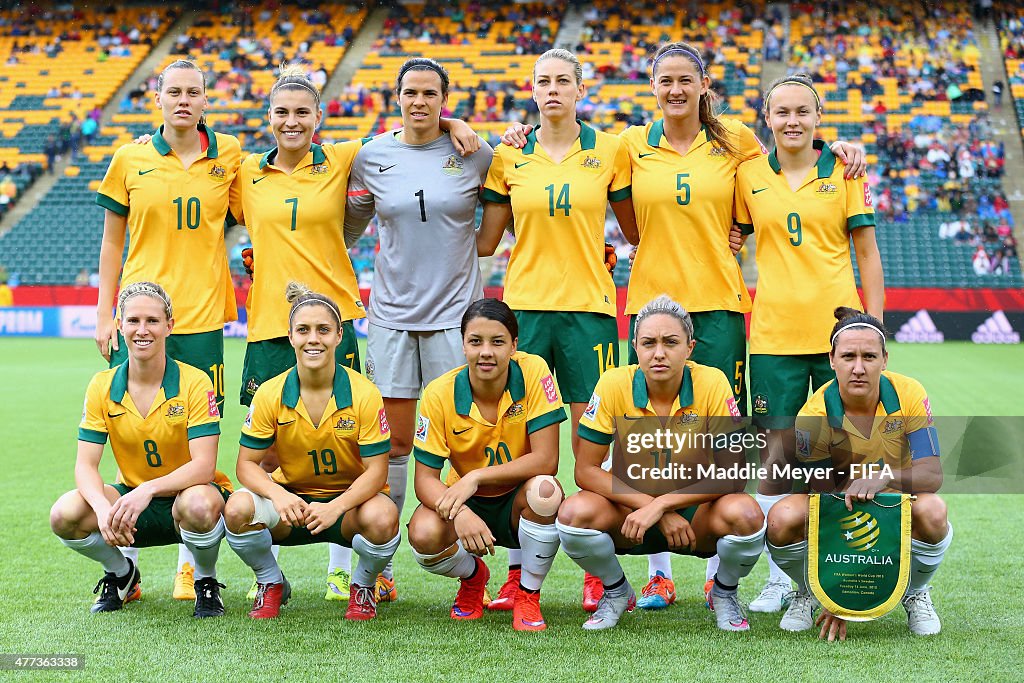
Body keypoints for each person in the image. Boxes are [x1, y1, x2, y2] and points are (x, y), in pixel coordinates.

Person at [501, 44, 866, 614]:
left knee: (724, 438)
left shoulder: (736, 140)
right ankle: (658, 573)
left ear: (702, 86)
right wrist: (504, 130)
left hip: (719, 307)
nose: (674, 90)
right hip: (651, 308)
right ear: (652, 86)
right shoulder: (628, 145)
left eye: (684, 81)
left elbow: (791, 151)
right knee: (646, 440)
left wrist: (840, 148)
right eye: (664, 80)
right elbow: (571, 146)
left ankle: (729, 576)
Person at [343, 58, 494, 606]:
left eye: (430, 94)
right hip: (390, 317)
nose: (419, 102)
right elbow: (347, 227)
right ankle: (379, 566)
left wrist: (460, 130)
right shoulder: (371, 156)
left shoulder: (476, 151)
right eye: (410, 92)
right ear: (397, 97)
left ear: (444, 99)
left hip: (456, 318)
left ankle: (470, 559)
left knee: (463, 442)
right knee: (397, 443)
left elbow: (514, 195)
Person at [734, 72, 884, 612]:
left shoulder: (845, 170)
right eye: (782, 113)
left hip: (836, 338)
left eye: (803, 112)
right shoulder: (748, 173)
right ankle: (783, 580)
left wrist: (872, 327)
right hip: (773, 335)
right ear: (767, 119)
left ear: (818, 118)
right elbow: (732, 231)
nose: (792, 122)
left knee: (840, 454)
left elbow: (866, 253)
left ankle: (835, 572)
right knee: (778, 456)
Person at [95, 59, 241, 602]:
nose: (184, 99)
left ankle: (191, 564)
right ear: (156, 98)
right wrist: (104, 310)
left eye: (194, 92)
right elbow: (113, 243)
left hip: (201, 319)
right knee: (130, 434)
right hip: (137, 320)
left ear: (206, 100)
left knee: (194, 441)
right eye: (174, 91)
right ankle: (124, 567)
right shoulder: (129, 157)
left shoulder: (227, 156)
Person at [557, 295, 766, 631]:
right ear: (635, 347)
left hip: (696, 517)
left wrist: (665, 505)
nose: (659, 353)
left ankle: (724, 592)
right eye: (648, 343)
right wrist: (650, 507)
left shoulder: (711, 382)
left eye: (671, 342)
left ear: (690, 347)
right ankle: (615, 590)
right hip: (630, 516)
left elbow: (733, 474)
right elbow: (585, 470)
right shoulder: (613, 384)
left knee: (747, 515)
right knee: (572, 515)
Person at [767, 307, 951, 640]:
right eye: (848, 356)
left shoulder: (910, 393)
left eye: (869, 356)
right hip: (840, 502)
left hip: (897, 500)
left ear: (885, 359)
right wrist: (838, 594)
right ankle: (810, 590)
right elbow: (820, 497)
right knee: (782, 518)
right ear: (832, 359)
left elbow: (932, 475)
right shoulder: (813, 414)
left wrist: (884, 477)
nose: (858, 368)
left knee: (934, 511)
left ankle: (916, 592)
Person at [49, 282, 231, 617]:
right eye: (133, 321)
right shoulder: (101, 385)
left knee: (200, 504)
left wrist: (148, 489)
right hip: (131, 502)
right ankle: (122, 575)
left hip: (185, 499)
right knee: (64, 514)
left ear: (169, 326)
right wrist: (104, 509)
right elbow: (85, 466)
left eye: (152, 321)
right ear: (120, 324)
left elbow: (204, 466)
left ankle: (205, 580)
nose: (142, 330)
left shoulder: (195, 382)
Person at [223, 283, 401, 621]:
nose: (313, 339)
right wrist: (278, 495)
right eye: (303, 330)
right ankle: (270, 582)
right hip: (292, 507)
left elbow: (377, 472)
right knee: (237, 509)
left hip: (348, 508)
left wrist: (336, 507)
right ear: (290, 337)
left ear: (339, 336)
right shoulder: (270, 393)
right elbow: (245, 465)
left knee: (384, 517)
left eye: (323, 330)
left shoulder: (364, 393)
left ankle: (362, 586)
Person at [407, 299, 567, 631]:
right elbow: (424, 480)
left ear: (514, 345)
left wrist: (476, 477)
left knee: (547, 491)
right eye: (475, 341)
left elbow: (547, 460)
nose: (486, 352)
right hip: (465, 502)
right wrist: (460, 512)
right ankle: (473, 578)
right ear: (463, 344)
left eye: (497, 342)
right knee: (422, 533)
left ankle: (527, 595)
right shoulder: (439, 393)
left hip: (517, 499)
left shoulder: (533, 370)